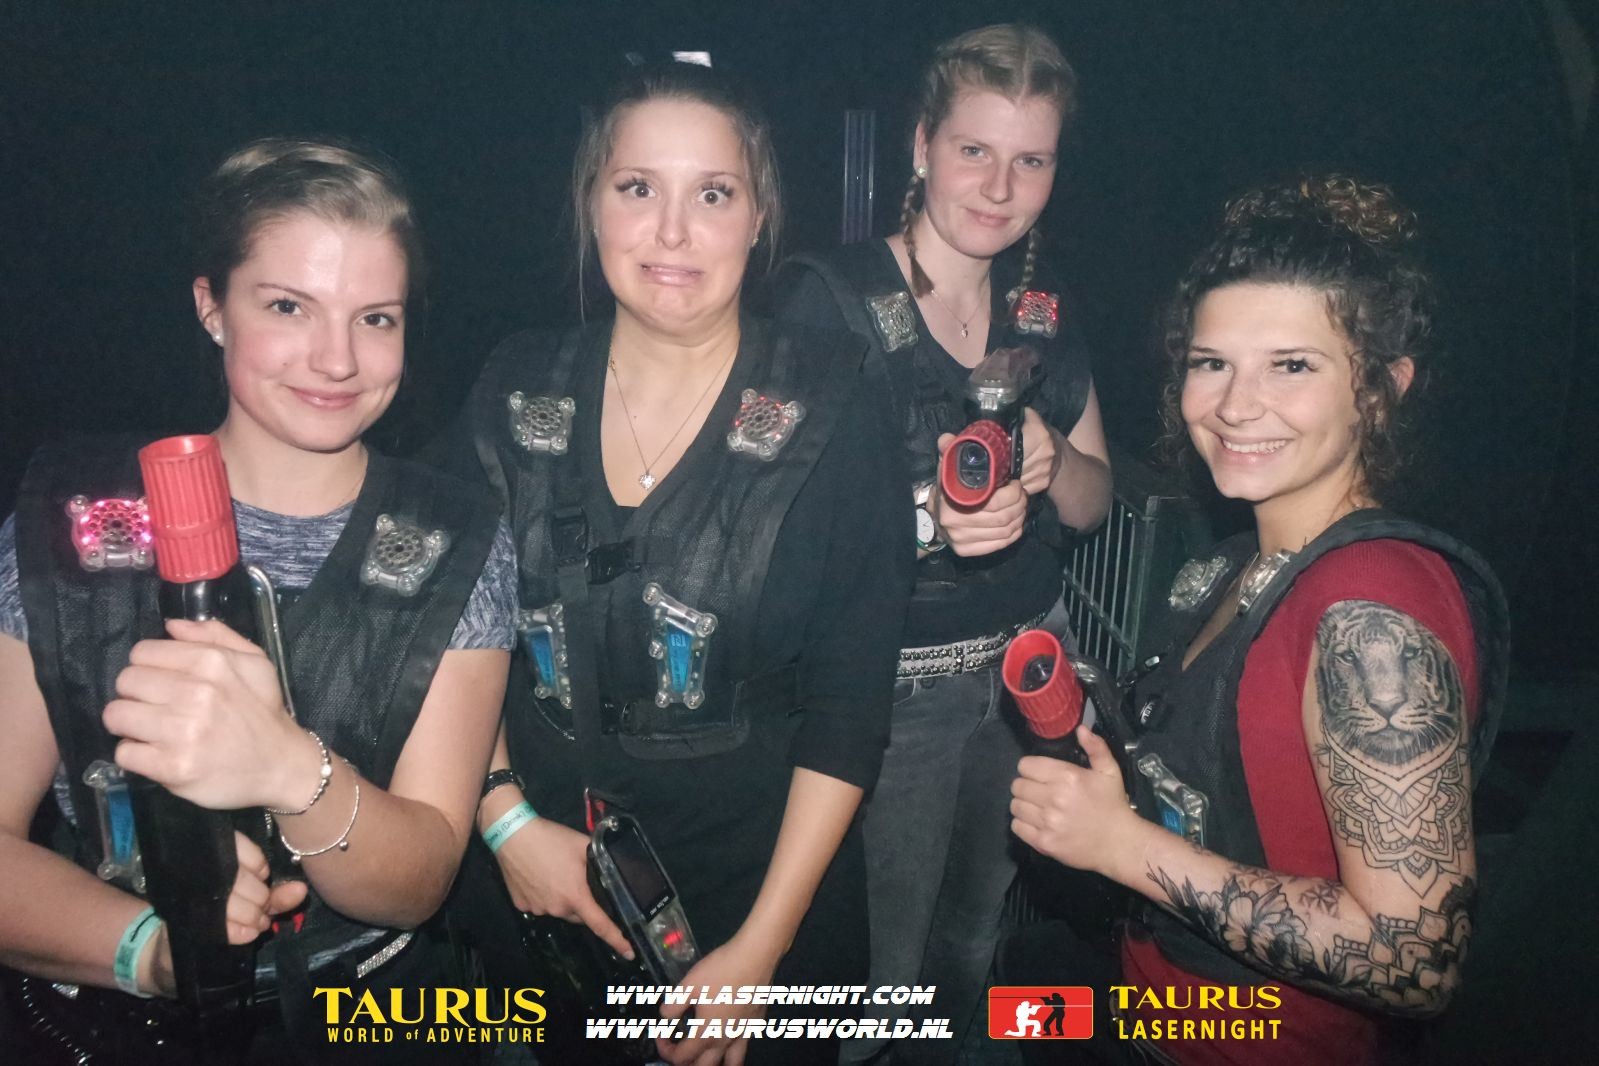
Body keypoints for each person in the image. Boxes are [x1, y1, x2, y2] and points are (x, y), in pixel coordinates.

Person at [0, 138, 515, 1062]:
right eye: (287, 306)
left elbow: (421, 876)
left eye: (376, 318)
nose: (337, 359)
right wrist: (156, 950)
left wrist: (286, 770)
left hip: (369, 1019)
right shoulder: (71, 521)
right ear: (211, 307)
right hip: (110, 1024)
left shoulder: (457, 538)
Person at [449, 60, 913, 1066]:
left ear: (759, 217)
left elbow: (849, 706)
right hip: (553, 888)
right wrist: (503, 820)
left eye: (712, 193)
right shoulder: (515, 387)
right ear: (592, 204)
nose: (671, 232)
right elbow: (453, 638)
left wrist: (763, 948)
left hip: (765, 895)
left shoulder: (836, 403)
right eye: (636, 188)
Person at [1007, 176, 1510, 1064]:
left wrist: (1118, 845)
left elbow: (1415, 960)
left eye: (1292, 365)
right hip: (1152, 1001)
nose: (1235, 406)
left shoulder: (1371, 615)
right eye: (1211, 363)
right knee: (1002, 1004)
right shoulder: (1241, 559)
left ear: (1381, 389)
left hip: (1251, 1045)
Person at [769, 23, 1112, 1060]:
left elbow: (1094, 502)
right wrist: (927, 517)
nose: (1000, 188)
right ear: (921, 146)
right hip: (894, 691)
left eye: (1031, 160)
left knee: (971, 943)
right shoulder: (823, 297)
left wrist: (1052, 457)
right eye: (974, 150)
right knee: (877, 973)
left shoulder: (1043, 310)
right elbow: (773, 530)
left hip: (1028, 670)